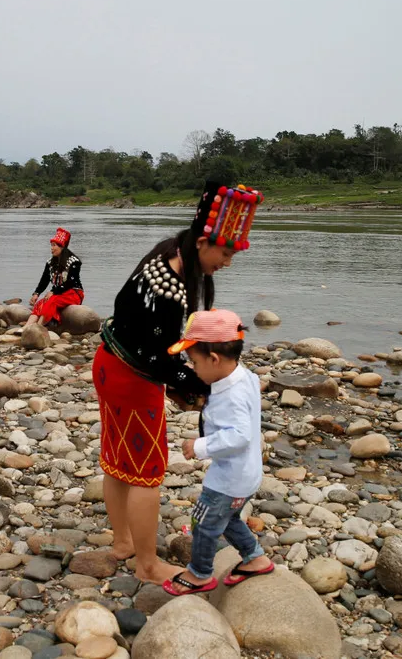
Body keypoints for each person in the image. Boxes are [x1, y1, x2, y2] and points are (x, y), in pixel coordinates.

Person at [94, 180, 263, 585]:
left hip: (109, 365)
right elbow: (159, 357)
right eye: (225, 253)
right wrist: (202, 388)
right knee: (147, 473)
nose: (227, 262)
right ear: (205, 241)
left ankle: (123, 542)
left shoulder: (169, 253)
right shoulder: (168, 284)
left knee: (119, 464)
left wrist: (184, 383)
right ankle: (148, 564)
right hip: (133, 379)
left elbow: (155, 345)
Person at [160, 309, 274, 595]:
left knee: (204, 522)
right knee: (229, 519)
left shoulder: (230, 394)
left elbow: (238, 435)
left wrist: (199, 446)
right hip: (247, 475)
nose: (193, 368)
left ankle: (200, 574)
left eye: (194, 362)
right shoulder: (243, 376)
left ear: (213, 359)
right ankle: (255, 557)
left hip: (228, 480)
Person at [27, 228, 84, 327]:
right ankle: (27, 326)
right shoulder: (50, 262)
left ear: (62, 247)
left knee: (51, 301)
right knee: (41, 303)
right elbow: (44, 280)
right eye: (51, 245)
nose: (51, 248)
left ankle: (39, 326)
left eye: (54, 245)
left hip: (73, 293)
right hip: (58, 293)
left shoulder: (74, 261)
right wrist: (36, 293)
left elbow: (70, 282)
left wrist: (54, 292)